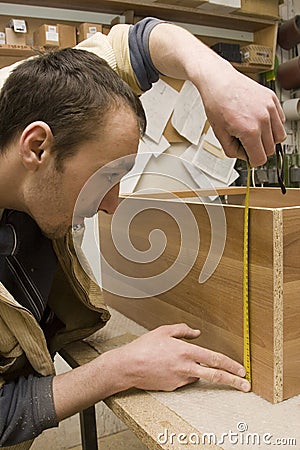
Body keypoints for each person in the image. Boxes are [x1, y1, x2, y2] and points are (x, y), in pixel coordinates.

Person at [0, 18, 285, 448]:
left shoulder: (51, 91)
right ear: (36, 147)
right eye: (107, 176)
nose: (114, 203)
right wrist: (118, 370)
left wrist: (214, 74)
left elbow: (138, 42)